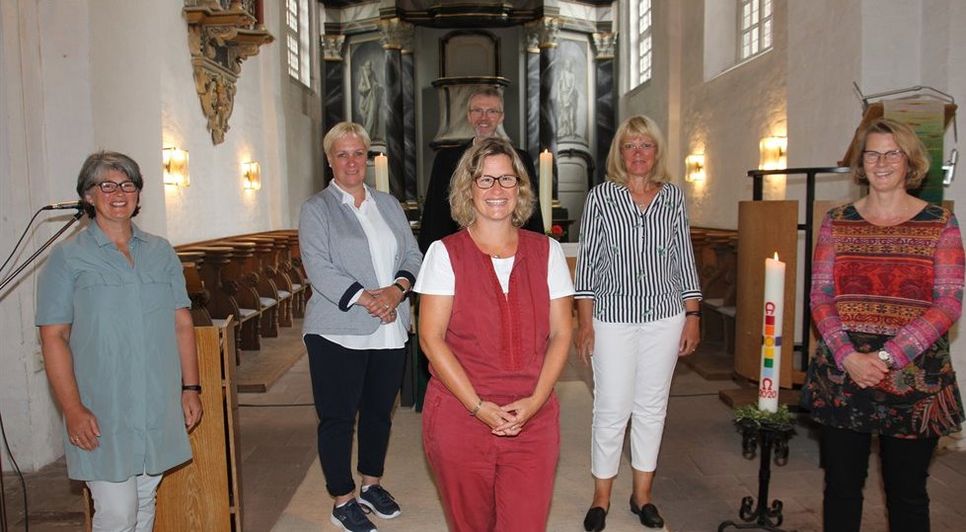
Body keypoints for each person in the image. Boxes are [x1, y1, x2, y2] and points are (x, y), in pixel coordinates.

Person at [804, 118, 964, 532]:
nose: (882, 162)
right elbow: (820, 295)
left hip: (914, 375)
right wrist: (848, 356)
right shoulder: (837, 220)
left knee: (907, 494)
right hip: (844, 373)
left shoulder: (939, 222)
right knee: (841, 489)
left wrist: (886, 357)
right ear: (861, 163)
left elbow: (949, 302)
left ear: (910, 161)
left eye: (893, 153)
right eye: (872, 154)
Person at [36, 151, 203, 531]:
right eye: (106, 185)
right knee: (117, 511)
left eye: (127, 185)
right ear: (88, 196)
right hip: (102, 405)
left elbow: (181, 323)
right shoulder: (67, 258)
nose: (118, 193)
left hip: (155, 401)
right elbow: (54, 336)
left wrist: (191, 388)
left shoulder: (160, 252)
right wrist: (72, 408)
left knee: (144, 502)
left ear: (138, 194)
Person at [415, 137, 574, 531]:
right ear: (468, 188)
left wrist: (536, 401)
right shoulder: (443, 254)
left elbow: (561, 333)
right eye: (485, 180)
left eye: (506, 179)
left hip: (532, 415)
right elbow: (431, 338)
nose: (497, 189)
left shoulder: (548, 252)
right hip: (460, 414)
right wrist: (478, 407)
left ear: (520, 186)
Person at [574, 115, 702, 531]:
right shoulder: (601, 197)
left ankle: (642, 495)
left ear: (657, 151)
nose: (638, 153)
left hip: (665, 315)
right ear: (620, 153)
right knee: (612, 407)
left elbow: (683, 258)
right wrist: (585, 323)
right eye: (630, 145)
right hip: (612, 317)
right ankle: (601, 497)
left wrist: (693, 315)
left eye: (645, 144)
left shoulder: (673, 197)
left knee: (651, 408)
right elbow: (588, 263)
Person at [298, 121, 422, 532]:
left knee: (378, 415)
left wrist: (397, 291)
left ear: (367, 158)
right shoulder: (317, 208)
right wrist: (372, 299)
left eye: (358, 153)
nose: (351, 162)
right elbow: (319, 268)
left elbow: (412, 254)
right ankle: (342, 498)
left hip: (390, 327)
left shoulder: (387, 204)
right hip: (337, 330)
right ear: (329, 159)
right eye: (342, 154)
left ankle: (371, 484)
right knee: (337, 418)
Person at [418, 86, 544, 253]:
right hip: (459, 251)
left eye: (492, 111)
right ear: (469, 116)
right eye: (477, 111)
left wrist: (537, 252)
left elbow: (530, 210)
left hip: (510, 250)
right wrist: (435, 254)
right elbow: (435, 214)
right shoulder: (446, 159)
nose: (484, 118)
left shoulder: (521, 159)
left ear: (501, 117)